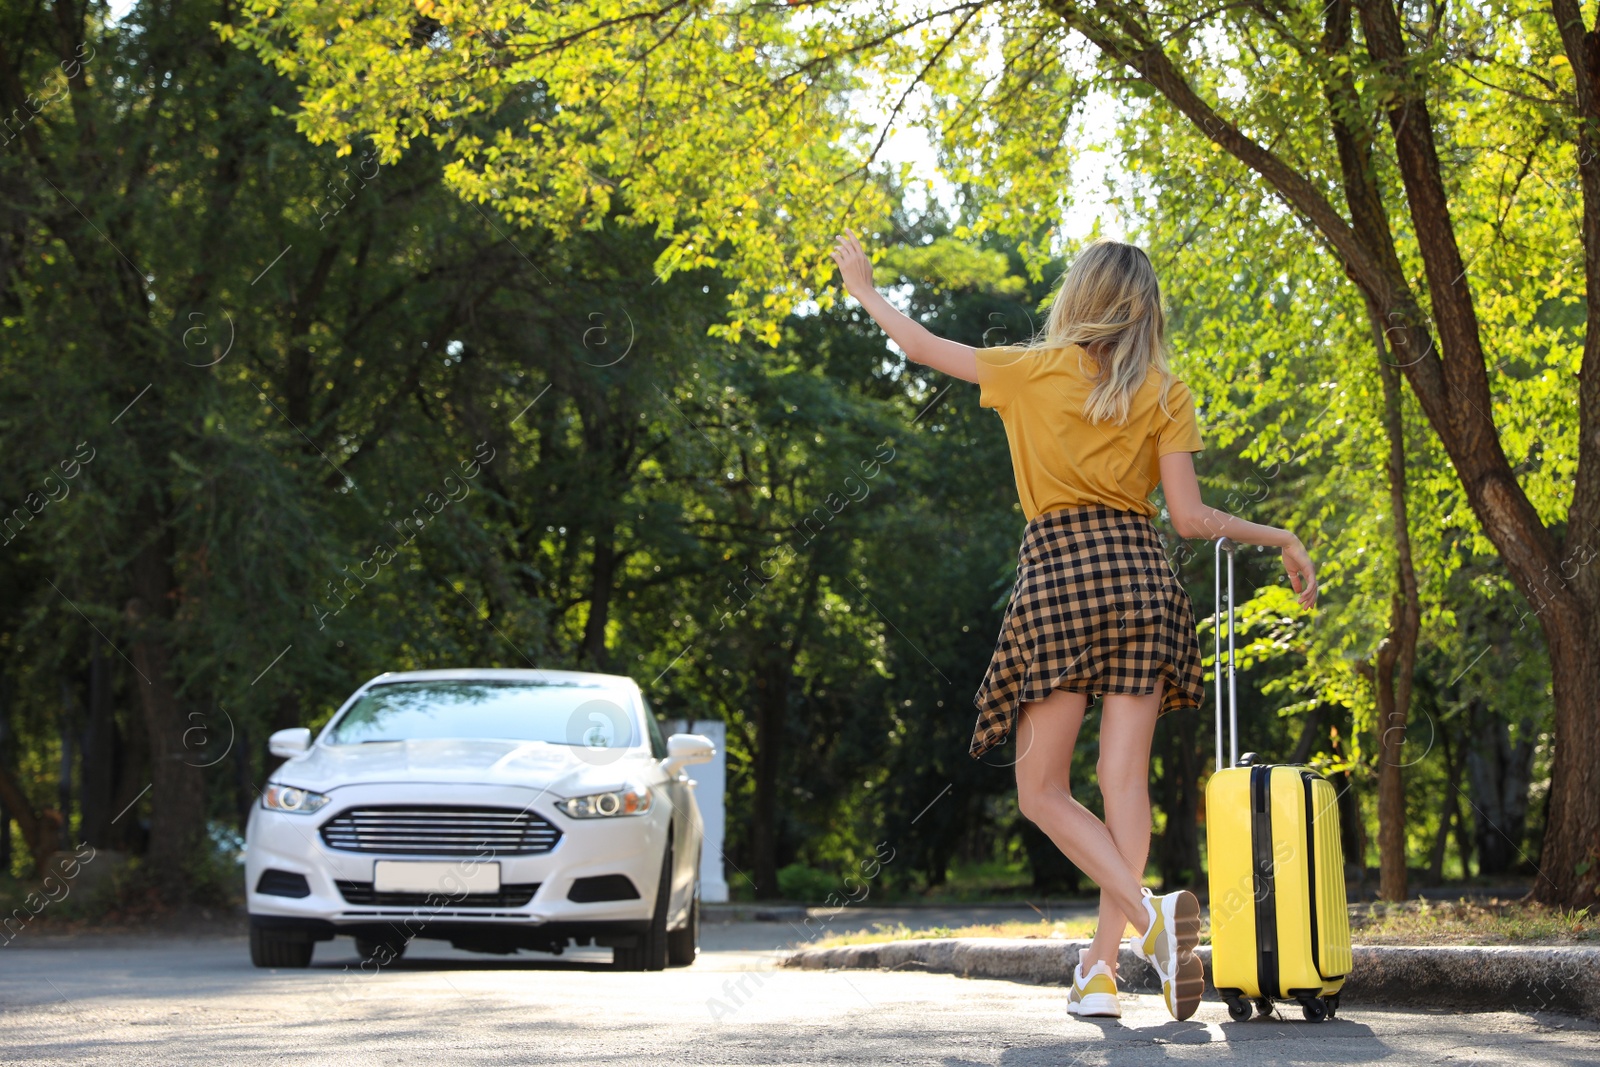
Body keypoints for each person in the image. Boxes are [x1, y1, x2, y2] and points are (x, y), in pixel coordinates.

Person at [830, 230, 1317, 1022]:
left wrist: (866, 290)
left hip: (1062, 579)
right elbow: (1190, 519)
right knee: (1123, 780)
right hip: (1144, 580)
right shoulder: (1164, 390)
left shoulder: (1031, 369)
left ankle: (1148, 919)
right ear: (1145, 310)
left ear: (1078, 295)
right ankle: (1099, 969)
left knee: (1041, 789)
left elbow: (919, 347)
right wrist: (1281, 537)